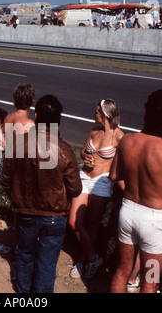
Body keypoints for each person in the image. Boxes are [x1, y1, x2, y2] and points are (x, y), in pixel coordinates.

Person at [109, 89, 162, 293]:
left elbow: (114, 176)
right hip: (154, 222)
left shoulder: (126, 140)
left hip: (127, 212)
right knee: (150, 280)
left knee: (121, 271)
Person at [1, 95, 82, 293]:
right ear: (59, 120)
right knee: (47, 262)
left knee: (25, 254)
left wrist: (17, 198)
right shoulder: (65, 150)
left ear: (36, 115)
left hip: (25, 212)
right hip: (54, 215)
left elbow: (5, 181)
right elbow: (75, 189)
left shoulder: (19, 144)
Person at [69, 99, 124, 279]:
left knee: (92, 224)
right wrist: (85, 157)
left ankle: (83, 260)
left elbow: (125, 161)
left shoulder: (119, 136)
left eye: (97, 111)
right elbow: (84, 151)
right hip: (84, 177)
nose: (94, 114)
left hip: (102, 182)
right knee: (74, 221)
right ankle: (94, 257)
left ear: (105, 115)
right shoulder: (94, 131)